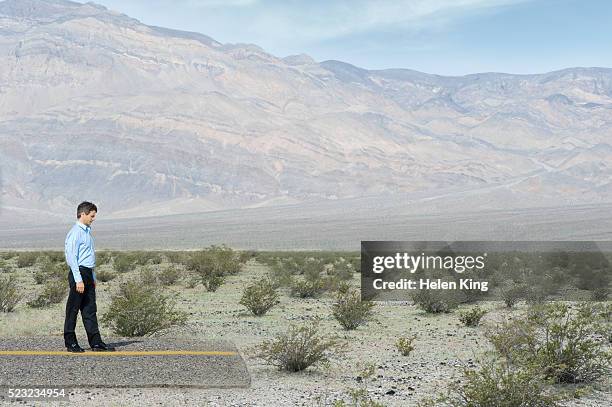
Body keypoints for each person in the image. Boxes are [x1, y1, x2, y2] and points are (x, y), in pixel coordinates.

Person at [63, 201, 115, 352]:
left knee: (90, 309)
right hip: (78, 273)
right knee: (73, 309)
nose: (94, 218)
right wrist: (78, 279)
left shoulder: (87, 232)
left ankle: (96, 342)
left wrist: (92, 277)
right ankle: (70, 342)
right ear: (83, 214)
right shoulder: (75, 233)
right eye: (92, 216)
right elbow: (72, 258)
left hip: (87, 274)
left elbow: (89, 257)